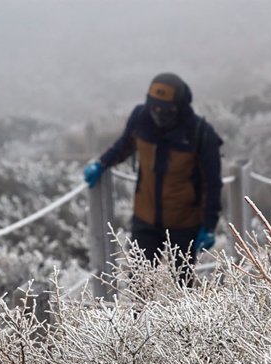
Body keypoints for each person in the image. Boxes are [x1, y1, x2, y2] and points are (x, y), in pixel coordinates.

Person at [83, 73, 223, 282]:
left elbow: (213, 184)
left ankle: (182, 317)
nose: (158, 114)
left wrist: (209, 225)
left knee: (181, 285)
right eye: (154, 108)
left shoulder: (200, 133)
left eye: (166, 110)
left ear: (180, 106)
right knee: (139, 282)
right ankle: (138, 317)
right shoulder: (141, 119)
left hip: (184, 221)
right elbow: (124, 145)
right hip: (145, 218)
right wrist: (102, 163)